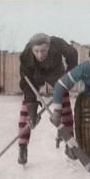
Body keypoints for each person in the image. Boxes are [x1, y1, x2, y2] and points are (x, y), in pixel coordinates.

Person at [18, 33, 78, 165]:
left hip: (55, 73)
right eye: (36, 51)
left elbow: (73, 54)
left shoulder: (57, 43)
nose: (40, 55)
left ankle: (70, 144)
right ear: (31, 49)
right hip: (35, 76)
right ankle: (22, 146)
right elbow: (27, 85)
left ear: (49, 47)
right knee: (26, 105)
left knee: (64, 100)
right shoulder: (26, 55)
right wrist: (32, 110)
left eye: (43, 51)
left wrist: (69, 77)